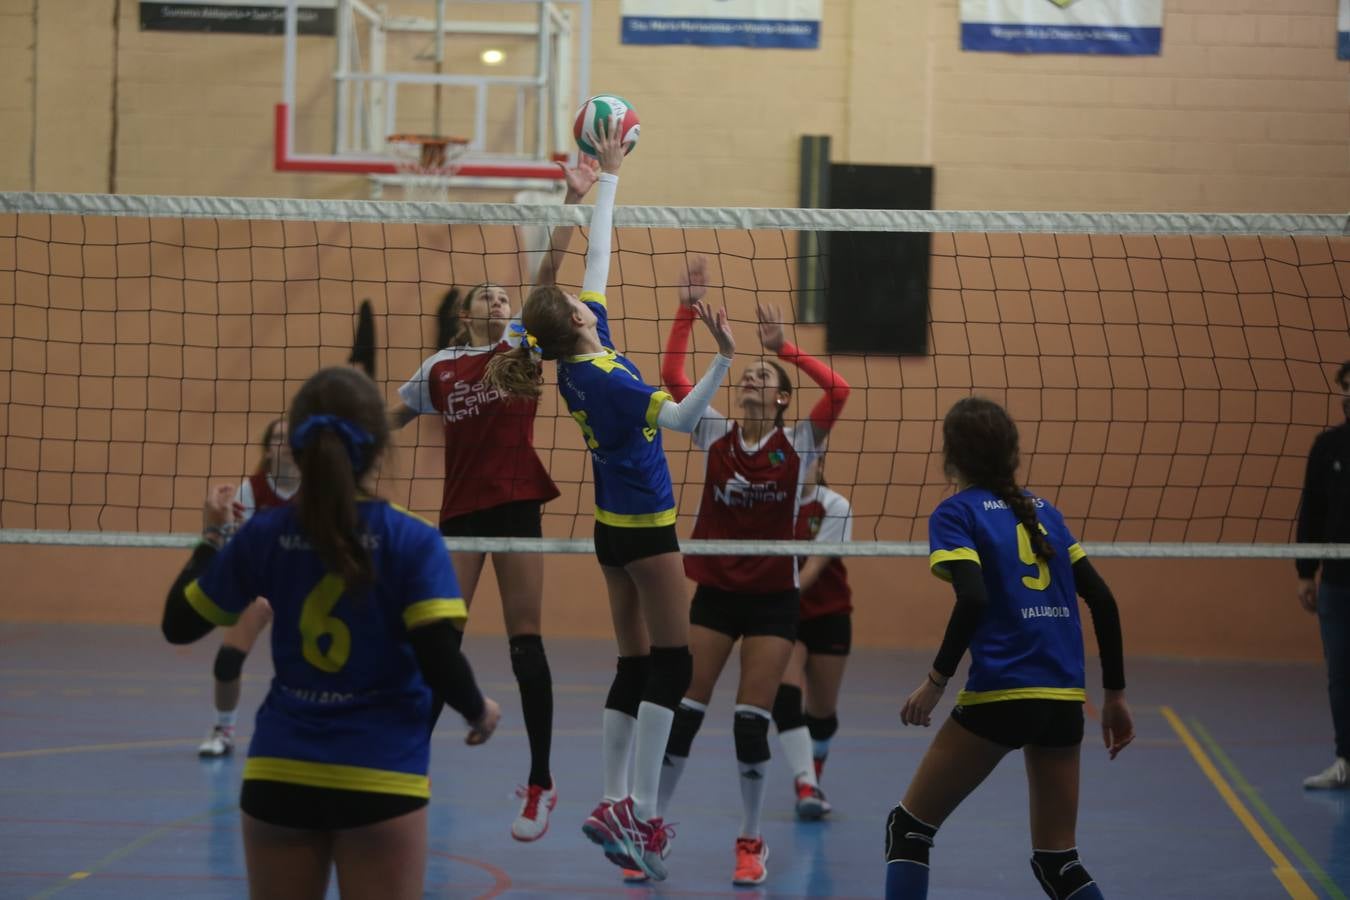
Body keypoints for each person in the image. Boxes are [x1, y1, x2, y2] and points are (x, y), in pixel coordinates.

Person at [485, 119, 735, 882]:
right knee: (675, 662)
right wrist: (723, 356)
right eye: (582, 302)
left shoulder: (578, 357)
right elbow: (691, 422)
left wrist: (603, 179)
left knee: (632, 663)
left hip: (608, 531)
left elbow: (598, 251)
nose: (590, 299)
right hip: (648, 532)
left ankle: (612, 802)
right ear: (579, 321)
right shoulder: (615, 381)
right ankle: (643, 811)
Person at [161, 366, 501, 900]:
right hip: (380, 773)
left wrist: (211, 535)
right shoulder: (413, 539)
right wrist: (477, 709)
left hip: (280, 771)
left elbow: (179, 626)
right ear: (381, 444)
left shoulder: (265, 534)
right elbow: (438, 653)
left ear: (298, 447)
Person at [386, 159, 601, 840]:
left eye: (503, 299)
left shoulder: (521, 345)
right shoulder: (439, 369)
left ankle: (540, 782)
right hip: (459, 512)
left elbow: (544, 281)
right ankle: (407, 772)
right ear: (464, 313)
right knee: (439, 640)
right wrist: (333, 433)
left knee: (524, 644)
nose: (499, 303)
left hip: (514, 504)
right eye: (486, 297)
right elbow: (386, 420)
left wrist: (572, 197)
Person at [883, 396, 1133, 900]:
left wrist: (935, 683)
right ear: (1012, 453)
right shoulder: (1047, 513)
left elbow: (973, 596)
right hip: (1064, 699)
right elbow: (1103, 601)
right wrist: (1115, 697)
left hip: (1002, 694)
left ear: (950, 456)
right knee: (1058, 861)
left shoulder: (956, 513)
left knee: (909, 830)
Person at [655, 258, 851, 886]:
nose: (751, 381)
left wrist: (783, 348)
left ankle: (750, 839)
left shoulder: (800, 446)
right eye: (748, 375)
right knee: (686, 709)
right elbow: (671, 376)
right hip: (715, 593)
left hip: (771, 601)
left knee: (749, 720)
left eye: (763, 377)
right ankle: (651, 822)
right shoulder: (713, 432)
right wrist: (688, 309)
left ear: (782, 397)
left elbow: (840, 391)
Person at [198, 418, 299, 758]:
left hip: (306, 588)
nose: (284, 444)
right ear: (268, 448)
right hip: (261, 587)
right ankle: (223, 729)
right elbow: (242, 548)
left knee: (313, 666)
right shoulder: (251, 490)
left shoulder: (319, 489)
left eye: (291, 438)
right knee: (227, 661)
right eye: (278, 438)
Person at [772, 452, 853, 820]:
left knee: (822, 715)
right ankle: (806, 782)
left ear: (819, 466)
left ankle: (814, 765)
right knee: (784, 696)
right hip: (785, 616)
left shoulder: (834, 505)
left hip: (828, 614)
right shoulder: (772, 503)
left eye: (806, 461)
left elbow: (818, 565)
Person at [1299, 360, 1350, 790]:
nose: (1349, 396)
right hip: (1337, 581)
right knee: (1340, 673)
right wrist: (1305, 573)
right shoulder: (1328, 447)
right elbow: (1312, 511)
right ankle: (1345, 759)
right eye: (1346, 388)